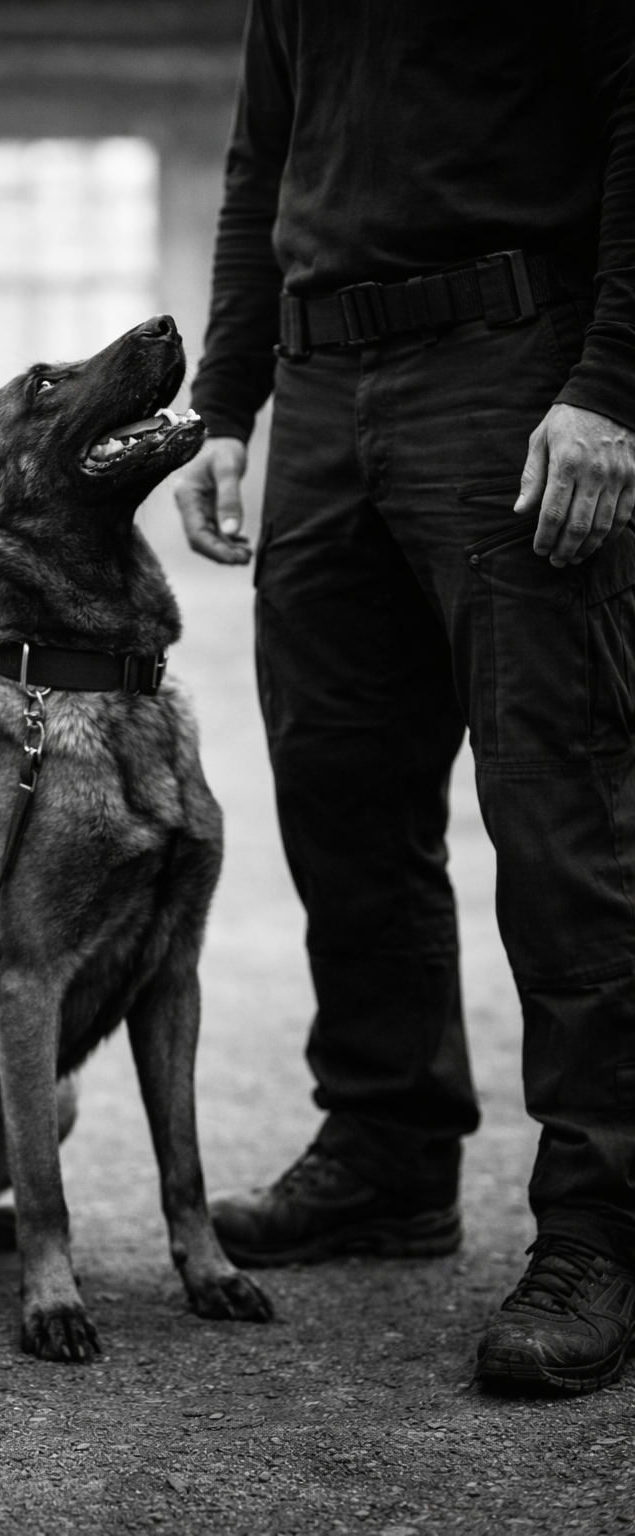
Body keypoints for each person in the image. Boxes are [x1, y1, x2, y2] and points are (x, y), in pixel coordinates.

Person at [176, 0, 635, 1395]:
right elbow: (263, 164)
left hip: (511, 368)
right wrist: (227, 403)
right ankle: (387, 1151)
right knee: (342, 798)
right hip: (320, 389)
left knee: (566, 818)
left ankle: (605, 1227)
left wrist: (613, 387)